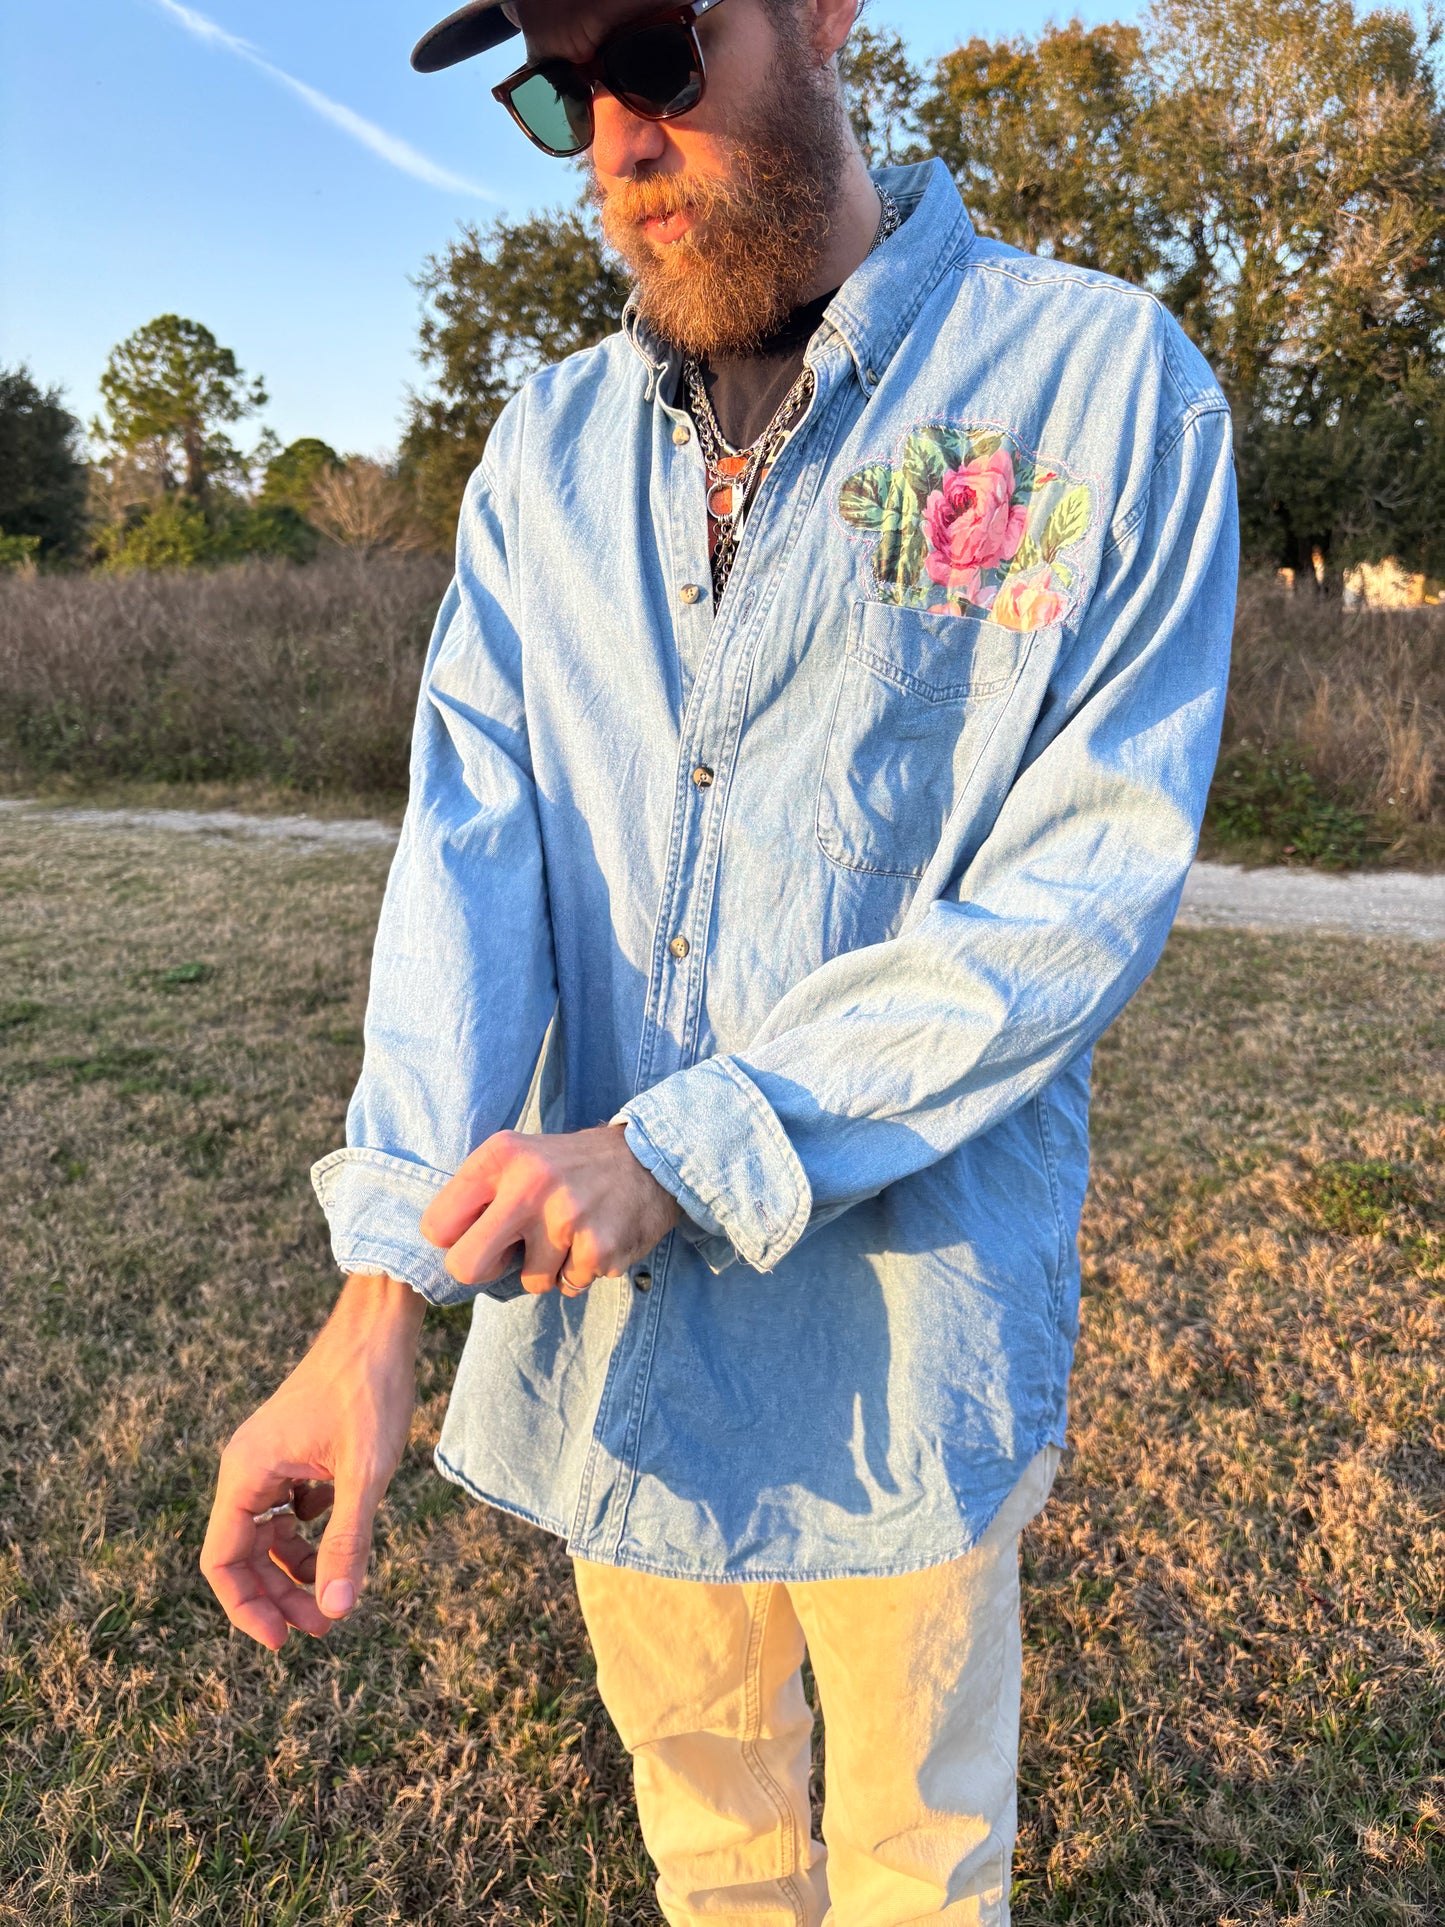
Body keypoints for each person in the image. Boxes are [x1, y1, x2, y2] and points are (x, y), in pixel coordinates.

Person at [201, 0, 1237, 1918]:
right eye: (552, 90)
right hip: (622, 1366)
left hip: (906, 1345)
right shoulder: (545, 448)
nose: (611, 137)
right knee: (708, 1844)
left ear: (829, 15)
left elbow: (1076, 883)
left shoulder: (1099, 388)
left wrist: (686, 1146)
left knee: (922, 1859)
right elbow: (470, 856)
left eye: (657, 53)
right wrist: (379, 1294)